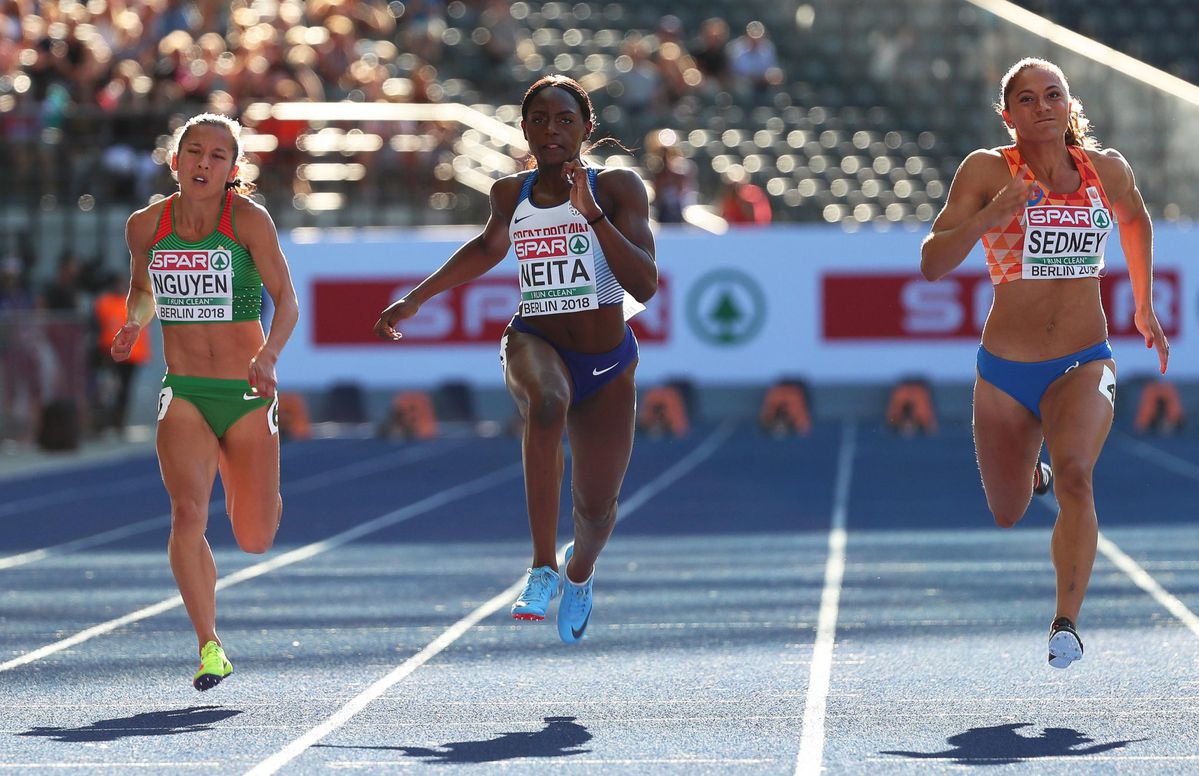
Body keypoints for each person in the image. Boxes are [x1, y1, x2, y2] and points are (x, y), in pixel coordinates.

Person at [374, 75, 657, 644]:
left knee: (598, 512)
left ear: (586, 128)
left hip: (606, 362)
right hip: (535, 340)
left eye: (565, 120)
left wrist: (592, 215)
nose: (551, 130)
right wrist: (416, 298)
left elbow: (644, 286)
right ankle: (542, 566)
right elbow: (485, 248)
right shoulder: (511, 194)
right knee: (547, 404)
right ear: (524, 128)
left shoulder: (619, 188)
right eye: (539, 120)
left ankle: (579, 571)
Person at [921, 58, 1169, 669]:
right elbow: (932, 261)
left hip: (1084, 359)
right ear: (1008, 117)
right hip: (1006, 369)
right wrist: (990, 216)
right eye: (1026, 99)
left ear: (1069, 104)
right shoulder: (985, 170)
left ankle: (1066, 623)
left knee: (1078, 475)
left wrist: (1142, 305)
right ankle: (1032, 473)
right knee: (1007, 512)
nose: (1042, 106)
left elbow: (1134, 219)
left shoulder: (1105, 170)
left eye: (1052, 94)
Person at [111, 112, 299, 689]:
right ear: (176, 160)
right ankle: (209, 644)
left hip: (245, 393)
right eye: (194, 152)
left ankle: (250, 474)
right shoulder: (145, 226)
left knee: (255, 537)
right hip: (185, 390)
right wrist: (134, 324)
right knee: (187, 514)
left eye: (218, 156)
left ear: (233, 170)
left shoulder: (248, 221)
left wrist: (267, 357)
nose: (203, 163)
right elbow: (144, 290)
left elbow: (287, 301)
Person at [93, 270, 151, 434]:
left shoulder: (132, 302)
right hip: (109, 354)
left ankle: (118, 422)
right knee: (108, 389)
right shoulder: (105, 303)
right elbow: (98, 326)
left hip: (132, 356)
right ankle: (103, 422)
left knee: (124, 390)